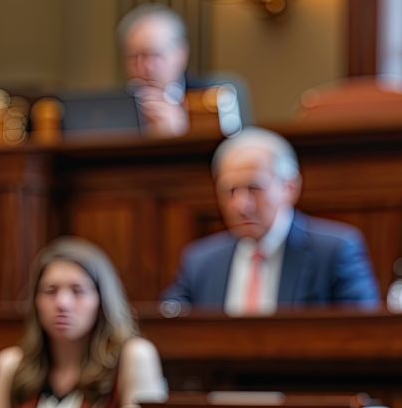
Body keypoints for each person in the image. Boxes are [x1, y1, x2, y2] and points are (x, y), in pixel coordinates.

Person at [0, 238, 167, 408]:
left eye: (77, 291)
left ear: (102, 300)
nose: (62, 303)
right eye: (50, 291)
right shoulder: (10, 365)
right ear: (35, 302)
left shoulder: (134, 356)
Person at [161, 127, 379, 313]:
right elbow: (169, 325)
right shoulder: (201, 261)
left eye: (254, 188)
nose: (241, 206)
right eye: (230, 191)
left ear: (289, 188)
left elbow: (364, 334)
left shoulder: (335, 252)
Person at [117, 3, 245, 138]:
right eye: (133, 57)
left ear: (180, 54)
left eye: (154, 55)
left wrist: (182, 131)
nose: (144, 66)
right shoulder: (112, 108)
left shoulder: (216, 98)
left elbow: (238, 144)